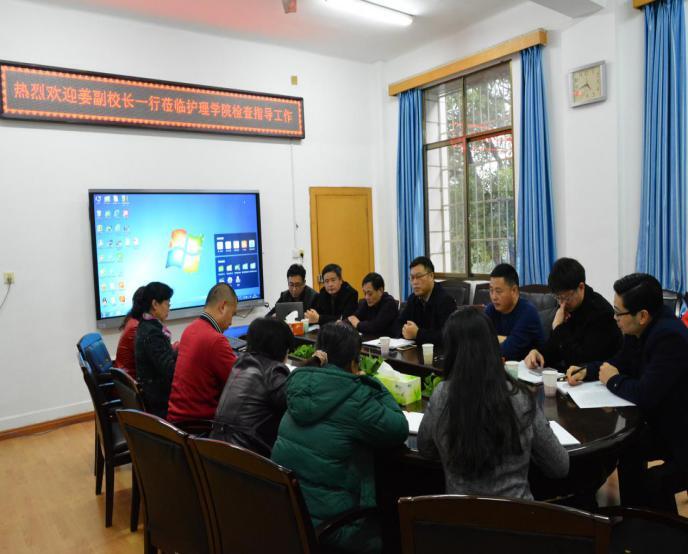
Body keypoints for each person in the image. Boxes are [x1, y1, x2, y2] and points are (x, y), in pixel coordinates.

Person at [271, 322, 408, 554]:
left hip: (290, 517)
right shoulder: (356, 396)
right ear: (355, 362)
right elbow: (399, 427)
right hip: (336, 528)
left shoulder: (298, 385)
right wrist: (372, 382)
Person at [566, 273, 688, 513]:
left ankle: (662, 528)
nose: (615, 318)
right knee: (626, 447)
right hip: (664, 423)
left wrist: (612, 380)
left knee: (654, 481)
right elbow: (620, 363)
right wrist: (588, 370)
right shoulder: (640, 328)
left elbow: (645, 394)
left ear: (642, 315)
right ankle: (632, 515)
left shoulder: (669, 338)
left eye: (618, 312)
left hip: (681, 435)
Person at [418, 308, 569, 499]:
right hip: (518, 513)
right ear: (493, 346)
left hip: (460, 515)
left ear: (451, 351)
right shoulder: (520, 396)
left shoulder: (442, 395)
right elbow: (559, 466)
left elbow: (425, 448)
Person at [211, 318, 293, 457]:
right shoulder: (273, 372)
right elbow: (296, 405)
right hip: (247, 458)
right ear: (282, 348)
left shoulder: (240, 364)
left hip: (215, 449)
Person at [524, 257, 621, 371]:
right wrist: (538, 354)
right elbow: (554, 351)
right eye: (557, 297)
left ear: (581, 287)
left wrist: (558, 328)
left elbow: (580, 363)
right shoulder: (565, 306)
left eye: (566, 298)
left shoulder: (601, 313)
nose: (562, 303)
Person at [167, 283, 238, 424]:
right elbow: (239, 384)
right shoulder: (216, 340)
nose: (231, 321)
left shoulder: (190, 329)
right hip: (199, 427)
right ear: (223, 307)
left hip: (175, 423)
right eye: (232, 314)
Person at [135, 282, 178, 418]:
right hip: (159, 402)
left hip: (153, 393)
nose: (169, 308)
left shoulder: (146, 325)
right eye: (167, 303)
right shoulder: (152, 333)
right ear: (155, 304)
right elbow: (169, 370)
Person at [484, 263, 544, 361]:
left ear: (514, 290)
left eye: (498, 291)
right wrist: (505, 339)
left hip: (527, 368)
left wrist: (492, 339)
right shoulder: (491, 309)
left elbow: (507, 351)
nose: (494, 297)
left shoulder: (528, 313)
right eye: (491, 290)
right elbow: (477, 343)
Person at [395, 256, 457, 346]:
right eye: (412, 278)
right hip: (416, 350)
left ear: (431, 276)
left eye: (419, 277)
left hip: (438, 352)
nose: (414, 282)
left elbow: (447, 336)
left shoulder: (445, 301)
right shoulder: (413, 299)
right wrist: (405, 331)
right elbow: (399, 324)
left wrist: (418, 333)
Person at [347, 272, 398, 336]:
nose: (366, 297)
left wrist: (358, 324)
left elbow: (376, 326)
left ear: (380, 291)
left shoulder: (389, 303)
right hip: (370, 339)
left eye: (370, 293)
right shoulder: (367, 302)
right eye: (365, 293)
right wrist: (342, 324)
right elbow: (353, 317)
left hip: (386, 340)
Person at [114, 286, 145, 378]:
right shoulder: (136, 327)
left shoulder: (133, 320)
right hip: (132, 381)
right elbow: (153, 355)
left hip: (129, 378)